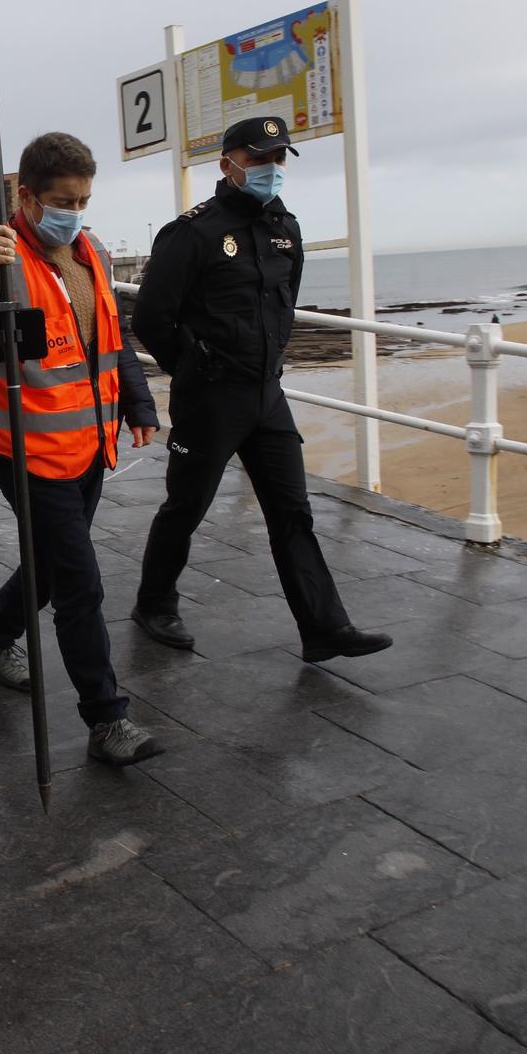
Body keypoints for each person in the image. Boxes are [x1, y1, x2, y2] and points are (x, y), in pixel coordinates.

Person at [0, 132, 166, 766]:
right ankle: (107, 719)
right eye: (61, 200)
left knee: (53, 564)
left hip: (88, 444)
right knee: (80, 582)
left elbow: (108, 334)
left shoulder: (94, 253)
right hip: (24, 450)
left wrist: (137, 401)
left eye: (83, 199)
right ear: (25, 196)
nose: (73, 211)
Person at [130, 115, 394, 664]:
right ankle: (154, 603)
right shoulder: (192, 232)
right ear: (228, 163)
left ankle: (324, 628)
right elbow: (153, 318)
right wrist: (193, 369)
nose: (271, 169)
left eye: (278, 159)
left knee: (292, 511)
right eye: (259, 159)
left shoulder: (285, 228)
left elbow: (283, 305)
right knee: (187, 506)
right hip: (210, 397)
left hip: (266, 395)